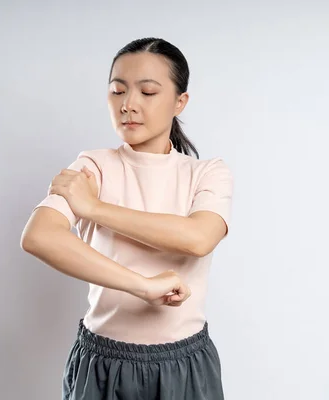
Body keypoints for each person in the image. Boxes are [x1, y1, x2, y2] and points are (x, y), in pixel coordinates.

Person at [21, 37, 233, 399]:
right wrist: (142, 285)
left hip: (185, 364)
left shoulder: (207, 173)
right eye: (117, 91)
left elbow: (198, 238)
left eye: (147, 92)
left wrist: (95, 209)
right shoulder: (92, 167)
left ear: (180, 102)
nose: (128, 105)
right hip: (104, 363)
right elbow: (39, 236)